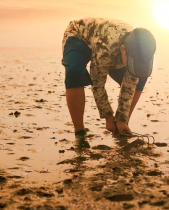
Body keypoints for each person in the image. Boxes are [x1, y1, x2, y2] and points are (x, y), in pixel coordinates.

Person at [62, 18, 156, 148]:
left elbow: (129, 85)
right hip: (79, 37)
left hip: (111, 48)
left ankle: (122, 125)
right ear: (123, 50)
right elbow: (97, 84)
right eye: (132, 63)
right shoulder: (105, 49)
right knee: (75, 71)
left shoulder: (141, 49)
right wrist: (108, 116)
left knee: (140, 77)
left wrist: (121, 119)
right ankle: (80, 134)